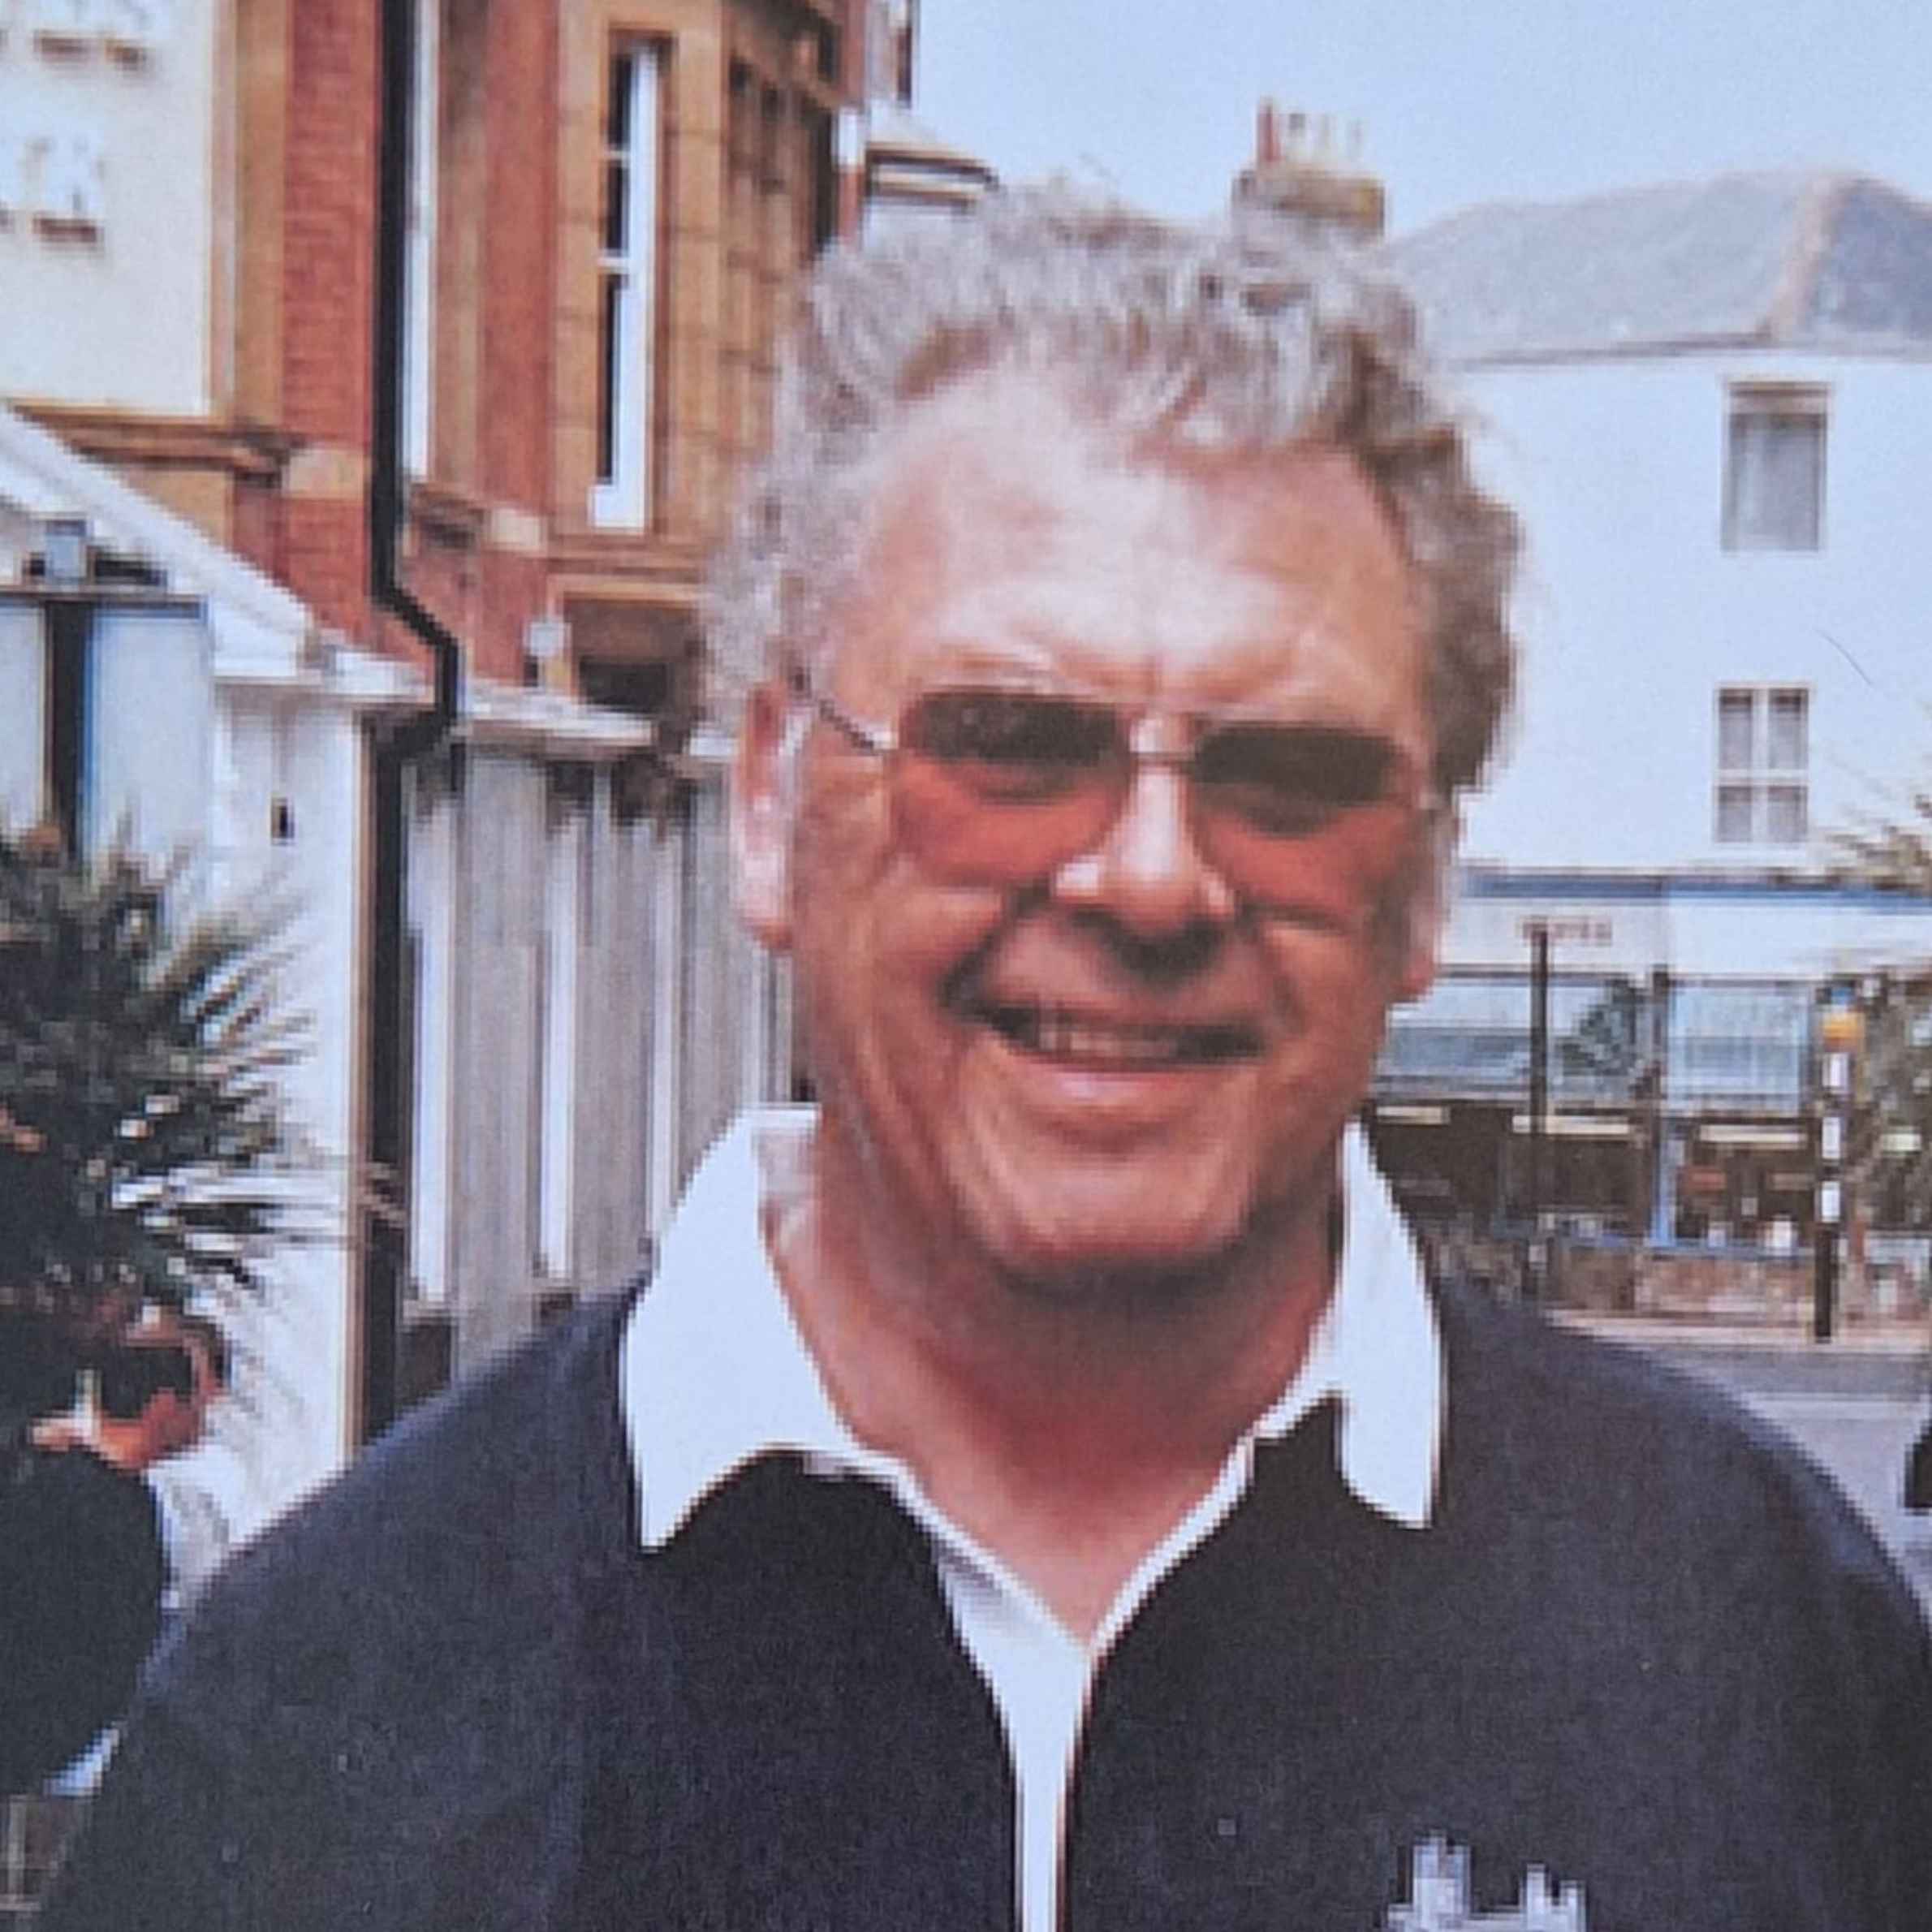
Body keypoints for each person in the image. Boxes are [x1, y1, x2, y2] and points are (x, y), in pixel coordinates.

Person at [43, 196, 1932, 1931]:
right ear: (770, 798)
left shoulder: (1764, 1649)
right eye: (1013, 742)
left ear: (1426, 879)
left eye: (1287, 773)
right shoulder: (328, 1707)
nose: (1150, 875)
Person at [2, 1331, 218, 1796]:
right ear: (163, 1406)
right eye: (198, 1406)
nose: (203, 1422)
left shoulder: (36, 1469)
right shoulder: (125, 1522)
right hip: (41, 1746)